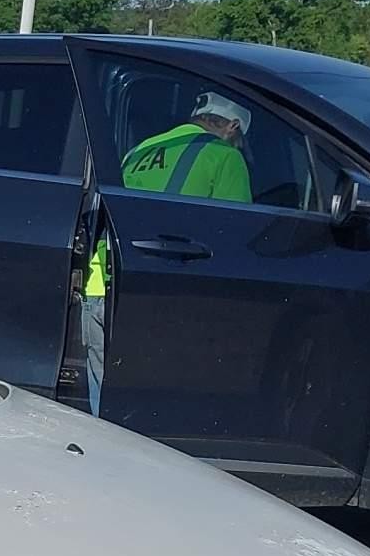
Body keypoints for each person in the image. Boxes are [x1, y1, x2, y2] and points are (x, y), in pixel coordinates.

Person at [79, 89, 255, 413]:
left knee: (102, 413)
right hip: (166, 294)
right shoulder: (224, 155)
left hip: (102, 286)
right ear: (232, 127)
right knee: (158, 417)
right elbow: (239, 236)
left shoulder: (139, 150)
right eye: (240, 138)